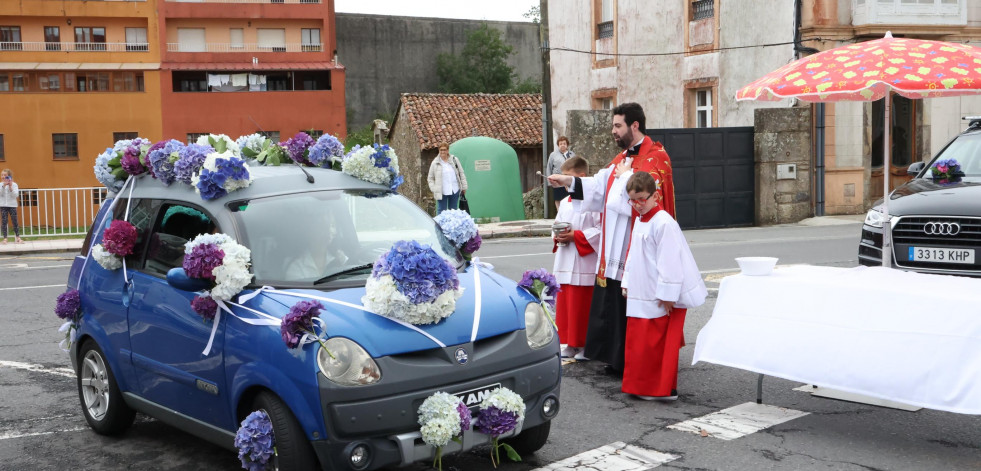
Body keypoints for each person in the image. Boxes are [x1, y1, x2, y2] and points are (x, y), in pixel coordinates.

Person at [547, 102, 675, 376]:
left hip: (636, 241)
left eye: (618, 126)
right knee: (615, 301)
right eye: (613, 126)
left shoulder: (656, 157)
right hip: (613, 245)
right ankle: (616, 356)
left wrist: (625, 177)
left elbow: (642, 200)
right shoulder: (620, 160)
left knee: (635, 299)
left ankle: (637, 359)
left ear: (635, 125)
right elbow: (598, 185)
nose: (613, 132)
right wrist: (568, 182)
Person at [620, 171, 706, 400]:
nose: (637, 205)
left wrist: (668, 295)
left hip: (657, 294)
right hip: (641, 289)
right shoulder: (640, 219)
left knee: (655, 344)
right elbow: (633, 254)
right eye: (633, 200)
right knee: (639, 345)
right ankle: (640, 386)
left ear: (655, 196)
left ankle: (659, 389)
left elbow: (670, 262)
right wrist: (627, 282)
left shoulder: (664, 223)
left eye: (641, 199)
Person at [552, 156, 601, 360]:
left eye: (568, 178)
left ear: (581, 177)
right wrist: (557, 235)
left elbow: (600, 230)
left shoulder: (594, 204)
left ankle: (586, 345)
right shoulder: (564, 202)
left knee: (583, 306)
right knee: (567, 305)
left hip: (584, 260)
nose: (564, 184)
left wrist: (577, 236)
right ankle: (570, 343)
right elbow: (556, 223)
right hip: (566, 259)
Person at [427, 143, 468, 214]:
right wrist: (434, 189)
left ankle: (451, 225)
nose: (443, 152)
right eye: (441, 150)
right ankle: (440, 225)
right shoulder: (435, 163)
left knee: (453, 211)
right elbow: (430, 178)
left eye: (444, 150)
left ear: (448, 150)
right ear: (439, 150)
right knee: (441, 212)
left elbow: (461, 173)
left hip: (454, 190)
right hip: (442, 191)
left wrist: (464, 187)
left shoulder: (454, 160)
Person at [547, 136, 575, 211]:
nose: (562, 145)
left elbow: (575, 166)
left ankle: (568, 213)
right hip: (557, 180)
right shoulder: (553, 155)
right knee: (558, 198)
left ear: (567, 145)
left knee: (569, 198)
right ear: (558, 145)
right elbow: (549, 167)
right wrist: (549, 181)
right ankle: (559, 213)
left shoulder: (572, 155)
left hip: (569, 180)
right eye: (560, 144)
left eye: (564, 143)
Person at [0, 168, 23, 244]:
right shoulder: (0, 185)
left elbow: (15, 195)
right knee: (4, 221)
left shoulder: (14, 184)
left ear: (9, 176)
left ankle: (18, 237)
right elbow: (1, 194)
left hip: (12, 205)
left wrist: (10, 187)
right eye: (2, 175)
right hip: (3, 205)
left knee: (14, 221)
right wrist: (4, 186)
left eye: (5, 175)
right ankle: (5, 238)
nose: (3, 176)